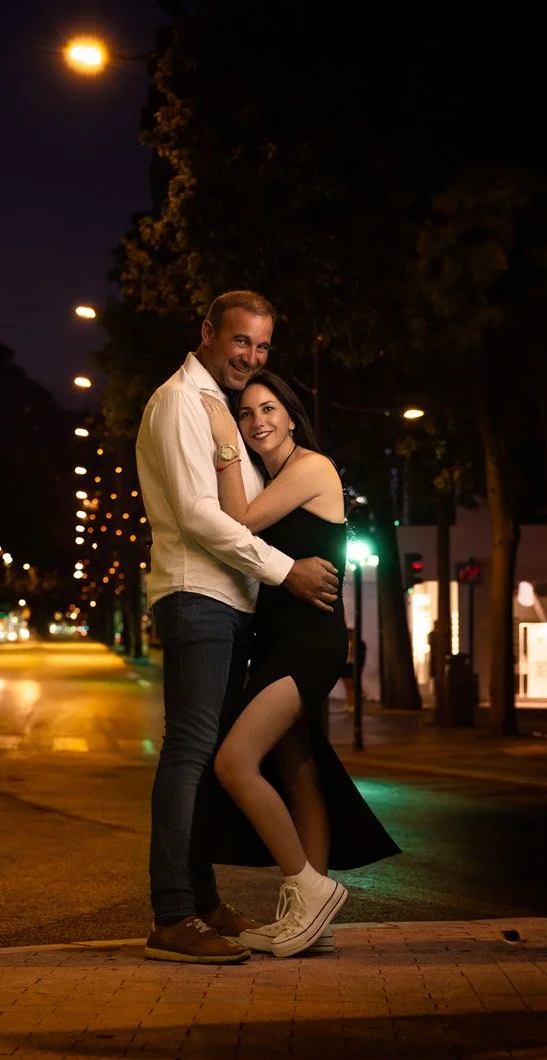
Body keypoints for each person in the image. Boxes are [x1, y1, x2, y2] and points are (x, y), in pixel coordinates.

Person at [135, 290, 342, 964]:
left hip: (232, 602)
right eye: (239, 342)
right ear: (208, 333)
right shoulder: (178, 403)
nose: (249, 357)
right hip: (198, 596)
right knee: (191, 753)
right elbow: (203, 517)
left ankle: (200, 902)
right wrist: (286, 572)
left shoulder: (223, 410)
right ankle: (173, 914)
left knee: (208, 757)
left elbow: (245, 506)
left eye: (260, 348)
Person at [196, 370, 400, 958]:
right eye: (243, 413)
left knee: (235, 762)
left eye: (267, 409)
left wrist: (224, 445)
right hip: (279, 638)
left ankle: (309, 887)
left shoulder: (312, 467)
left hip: (308, 642)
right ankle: (311, 921)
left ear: (290, 414)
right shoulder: (276, 476)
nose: (257, 420)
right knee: (299, 767)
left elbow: (237, 522)